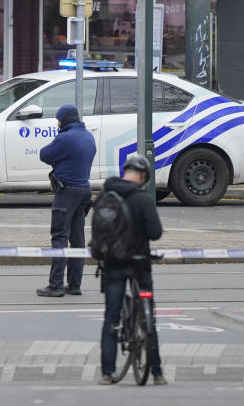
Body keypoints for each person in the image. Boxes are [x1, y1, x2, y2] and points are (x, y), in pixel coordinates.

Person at [97, 154, 167, 386]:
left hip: (113, 265)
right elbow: (155, 232)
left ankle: (107, 373)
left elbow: (97, 233)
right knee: (149, 318)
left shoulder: (107, 195)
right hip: (139, 264)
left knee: (112, 318)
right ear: (143, 176)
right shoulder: (143, 199)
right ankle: (156, 373)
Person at [36, 104, 97, 298]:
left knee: (60, 237)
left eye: (59, 120)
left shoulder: (65, 137)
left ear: (65, 120)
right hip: (84, 192)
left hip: (67, 193)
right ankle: (74, 284)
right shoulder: (88, 136)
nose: (58, 123)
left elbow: (44, 154)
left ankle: (55, 285)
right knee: (77, 239)